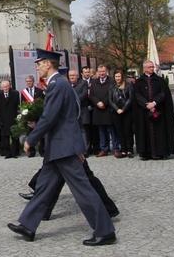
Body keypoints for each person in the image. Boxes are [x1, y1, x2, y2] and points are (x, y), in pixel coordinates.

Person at [8, 48, 116, 246]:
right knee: (43, 188)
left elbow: (51, 117)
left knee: (83, 189)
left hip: (64, 147)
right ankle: (28, 225)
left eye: (39, 63)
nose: (38, 67)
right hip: (59, 147)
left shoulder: (57, 85)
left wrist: (31, 139)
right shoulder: (60, 84)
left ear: (48, 64)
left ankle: (104, 230)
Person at [132, 61, 174, 160]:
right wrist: (146, 105)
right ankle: (146, 153)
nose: (152, 68)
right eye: (150, 67)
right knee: (145, 132)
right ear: (144, 68)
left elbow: (163, 93)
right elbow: (137, 95)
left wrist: (154, 103)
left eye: (153, 67)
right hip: (144, 112)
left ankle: (161, 152)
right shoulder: (139, 82)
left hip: (158, 110)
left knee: (160, 132)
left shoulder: (160, 80)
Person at [89, 65, 119, 157]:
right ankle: (104, 149)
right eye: (100, 71)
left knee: (112, 130)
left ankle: (116, 149)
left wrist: (104, 103)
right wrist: (97, 102)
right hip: (98, 109)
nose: (101, 73)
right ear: (97, 72)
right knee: (101, 130)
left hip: (109, 108)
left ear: (106, 72)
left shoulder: (111, 81)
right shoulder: (94, 82)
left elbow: (112, 94)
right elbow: (92, 95)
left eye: (103, 71)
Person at [109, 69, 133, 158]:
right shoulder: (112, 86)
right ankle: (123, 150)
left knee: (128, 131)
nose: (117, 78)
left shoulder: (128, 85)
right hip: (116, 112)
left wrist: (123, 109)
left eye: (119, 76)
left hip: (127, 112)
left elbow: (130, 98)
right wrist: (117, 109)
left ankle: (130, 150)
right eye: (116, 76)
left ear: (122, 76)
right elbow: (110, 99)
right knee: (120, 132)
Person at [20, 75, 44, 157]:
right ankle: (32, 151)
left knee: (40, 133)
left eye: (30, 81)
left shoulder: (39, 91)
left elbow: (42, 103)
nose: (28, 83)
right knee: (30, 134)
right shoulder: (24, 92)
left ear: (33, 81)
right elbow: (22, 104)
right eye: (27, 81)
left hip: (38, 115)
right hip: (29, 116)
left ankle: (42, 150)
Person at [0, 79, 20, 159]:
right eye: (4, 87)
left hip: (13, 118)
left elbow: (18, 106)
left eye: (7, 86)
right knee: (5, 138)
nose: (6, 88)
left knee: (14, 137)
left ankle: (14, 152)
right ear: (1, 87)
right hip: (4, 120)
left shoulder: (15, 93)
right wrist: (0, 121)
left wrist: (18, 118)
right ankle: (7, 153)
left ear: (9, 86)